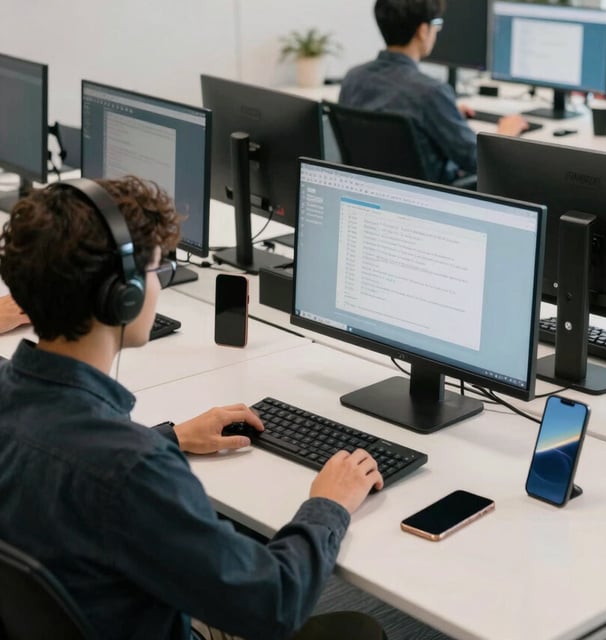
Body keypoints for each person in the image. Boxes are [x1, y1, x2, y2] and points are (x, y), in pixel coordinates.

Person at [0, 176, 385, 640]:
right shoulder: (130, 469)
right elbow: (276, 604)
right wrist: (328, 504)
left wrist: (170, 437)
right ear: (125, 295)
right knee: (357, 631)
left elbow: (62, 460)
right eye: (159, 273)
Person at [339, 0, 527, 185]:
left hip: (374, 191)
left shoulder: (353, 78)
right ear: (422, 31)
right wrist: (504, 134)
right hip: (432, 198)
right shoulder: (430, 93)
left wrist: (447, 112)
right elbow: (476, 160)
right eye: (436, 25)